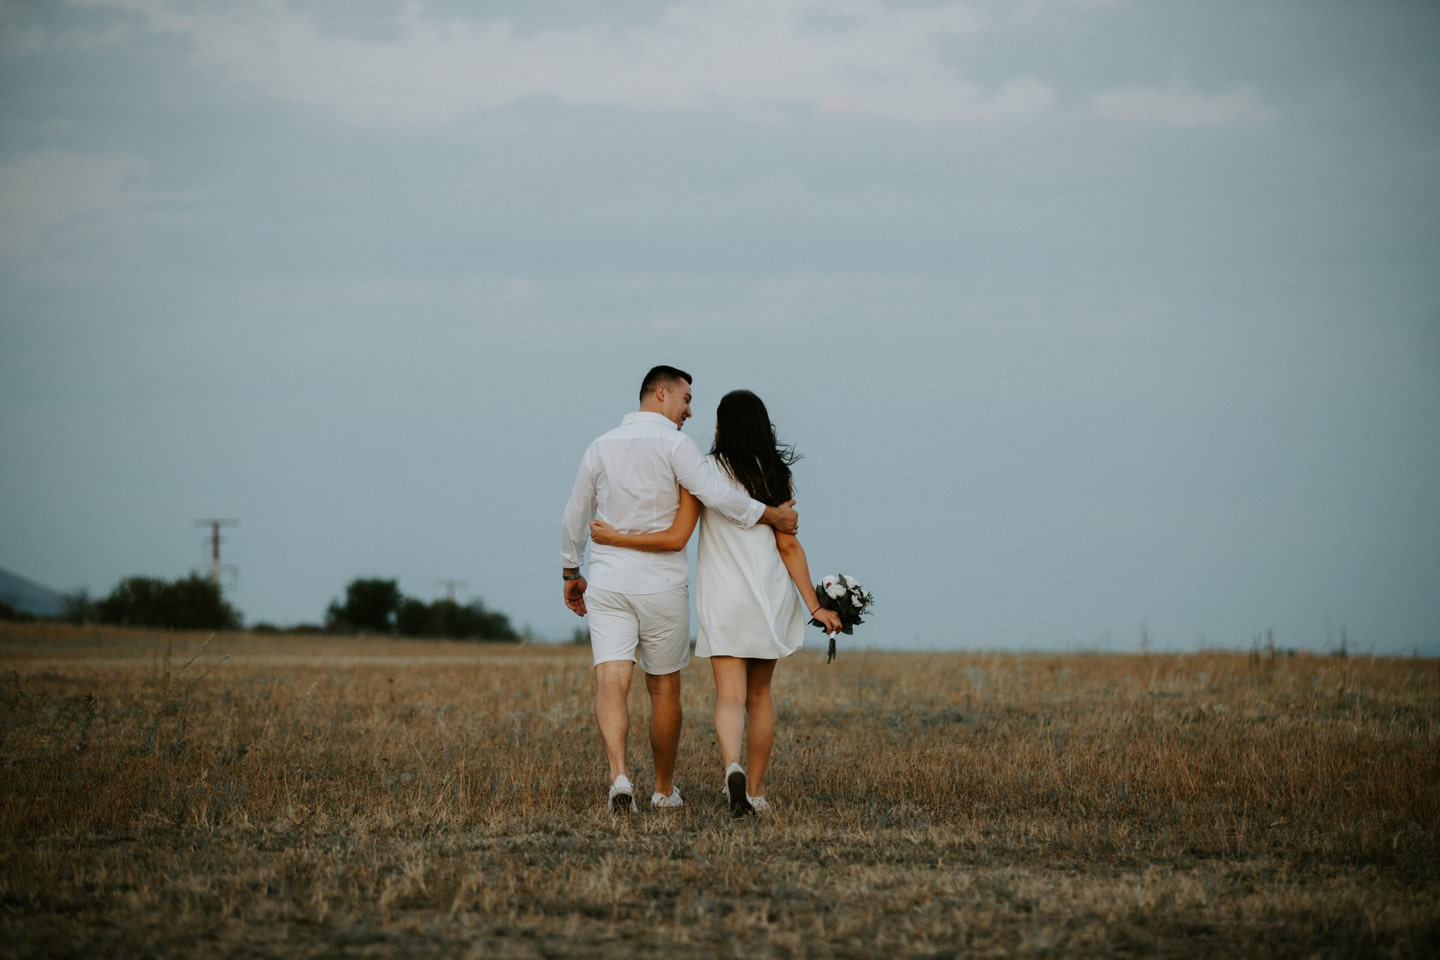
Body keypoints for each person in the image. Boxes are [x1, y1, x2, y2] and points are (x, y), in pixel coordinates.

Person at [590, 389, 842, 816]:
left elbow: (680, 534)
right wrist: (815, 606)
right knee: (760, 695)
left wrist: (617, 538)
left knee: (729, 696)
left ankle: (731, 766)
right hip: (770, 595)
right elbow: (789, 547)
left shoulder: (703, 471)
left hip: (724, 597)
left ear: (722, 427)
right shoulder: (776, 474)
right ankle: (755, 792)